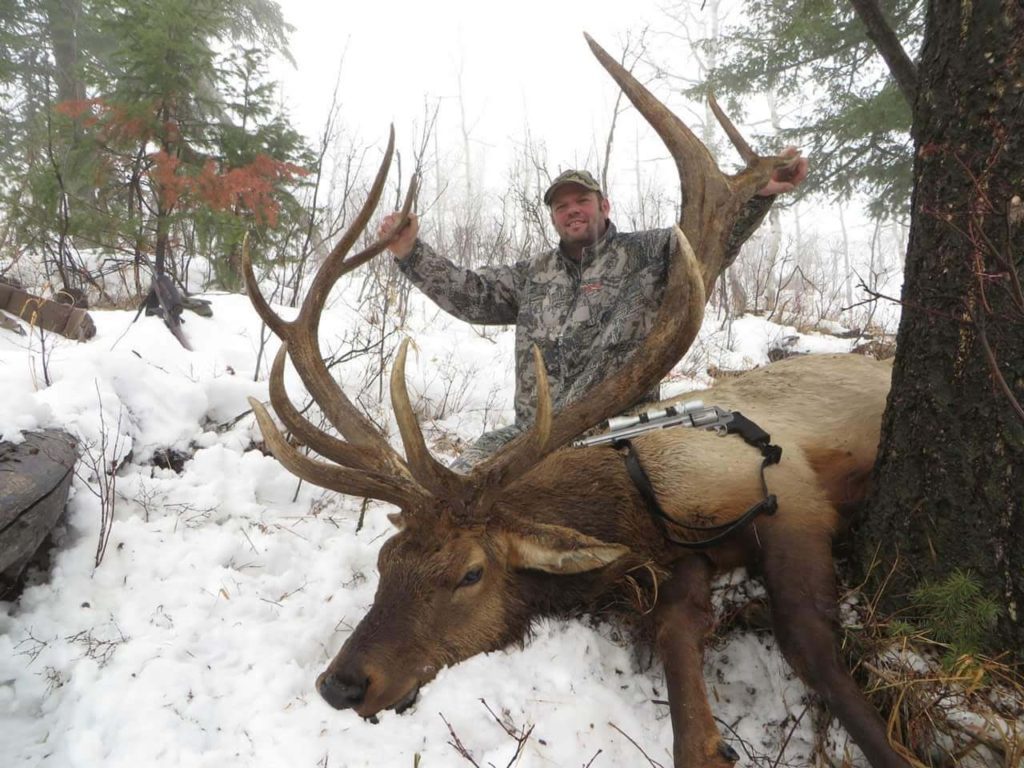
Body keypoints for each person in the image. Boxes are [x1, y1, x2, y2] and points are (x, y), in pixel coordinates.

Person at [379, 151, 808, 466]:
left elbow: (714, 243)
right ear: (553, 218)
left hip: (621, 436)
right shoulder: (533, 275)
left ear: (604, 206)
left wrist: (757, 195)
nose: (572, 211)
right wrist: (410, 252)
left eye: (581, 201)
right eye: (561, 206)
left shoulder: (654, 252)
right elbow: (470, 295)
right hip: (533, 438)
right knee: (456, 490)